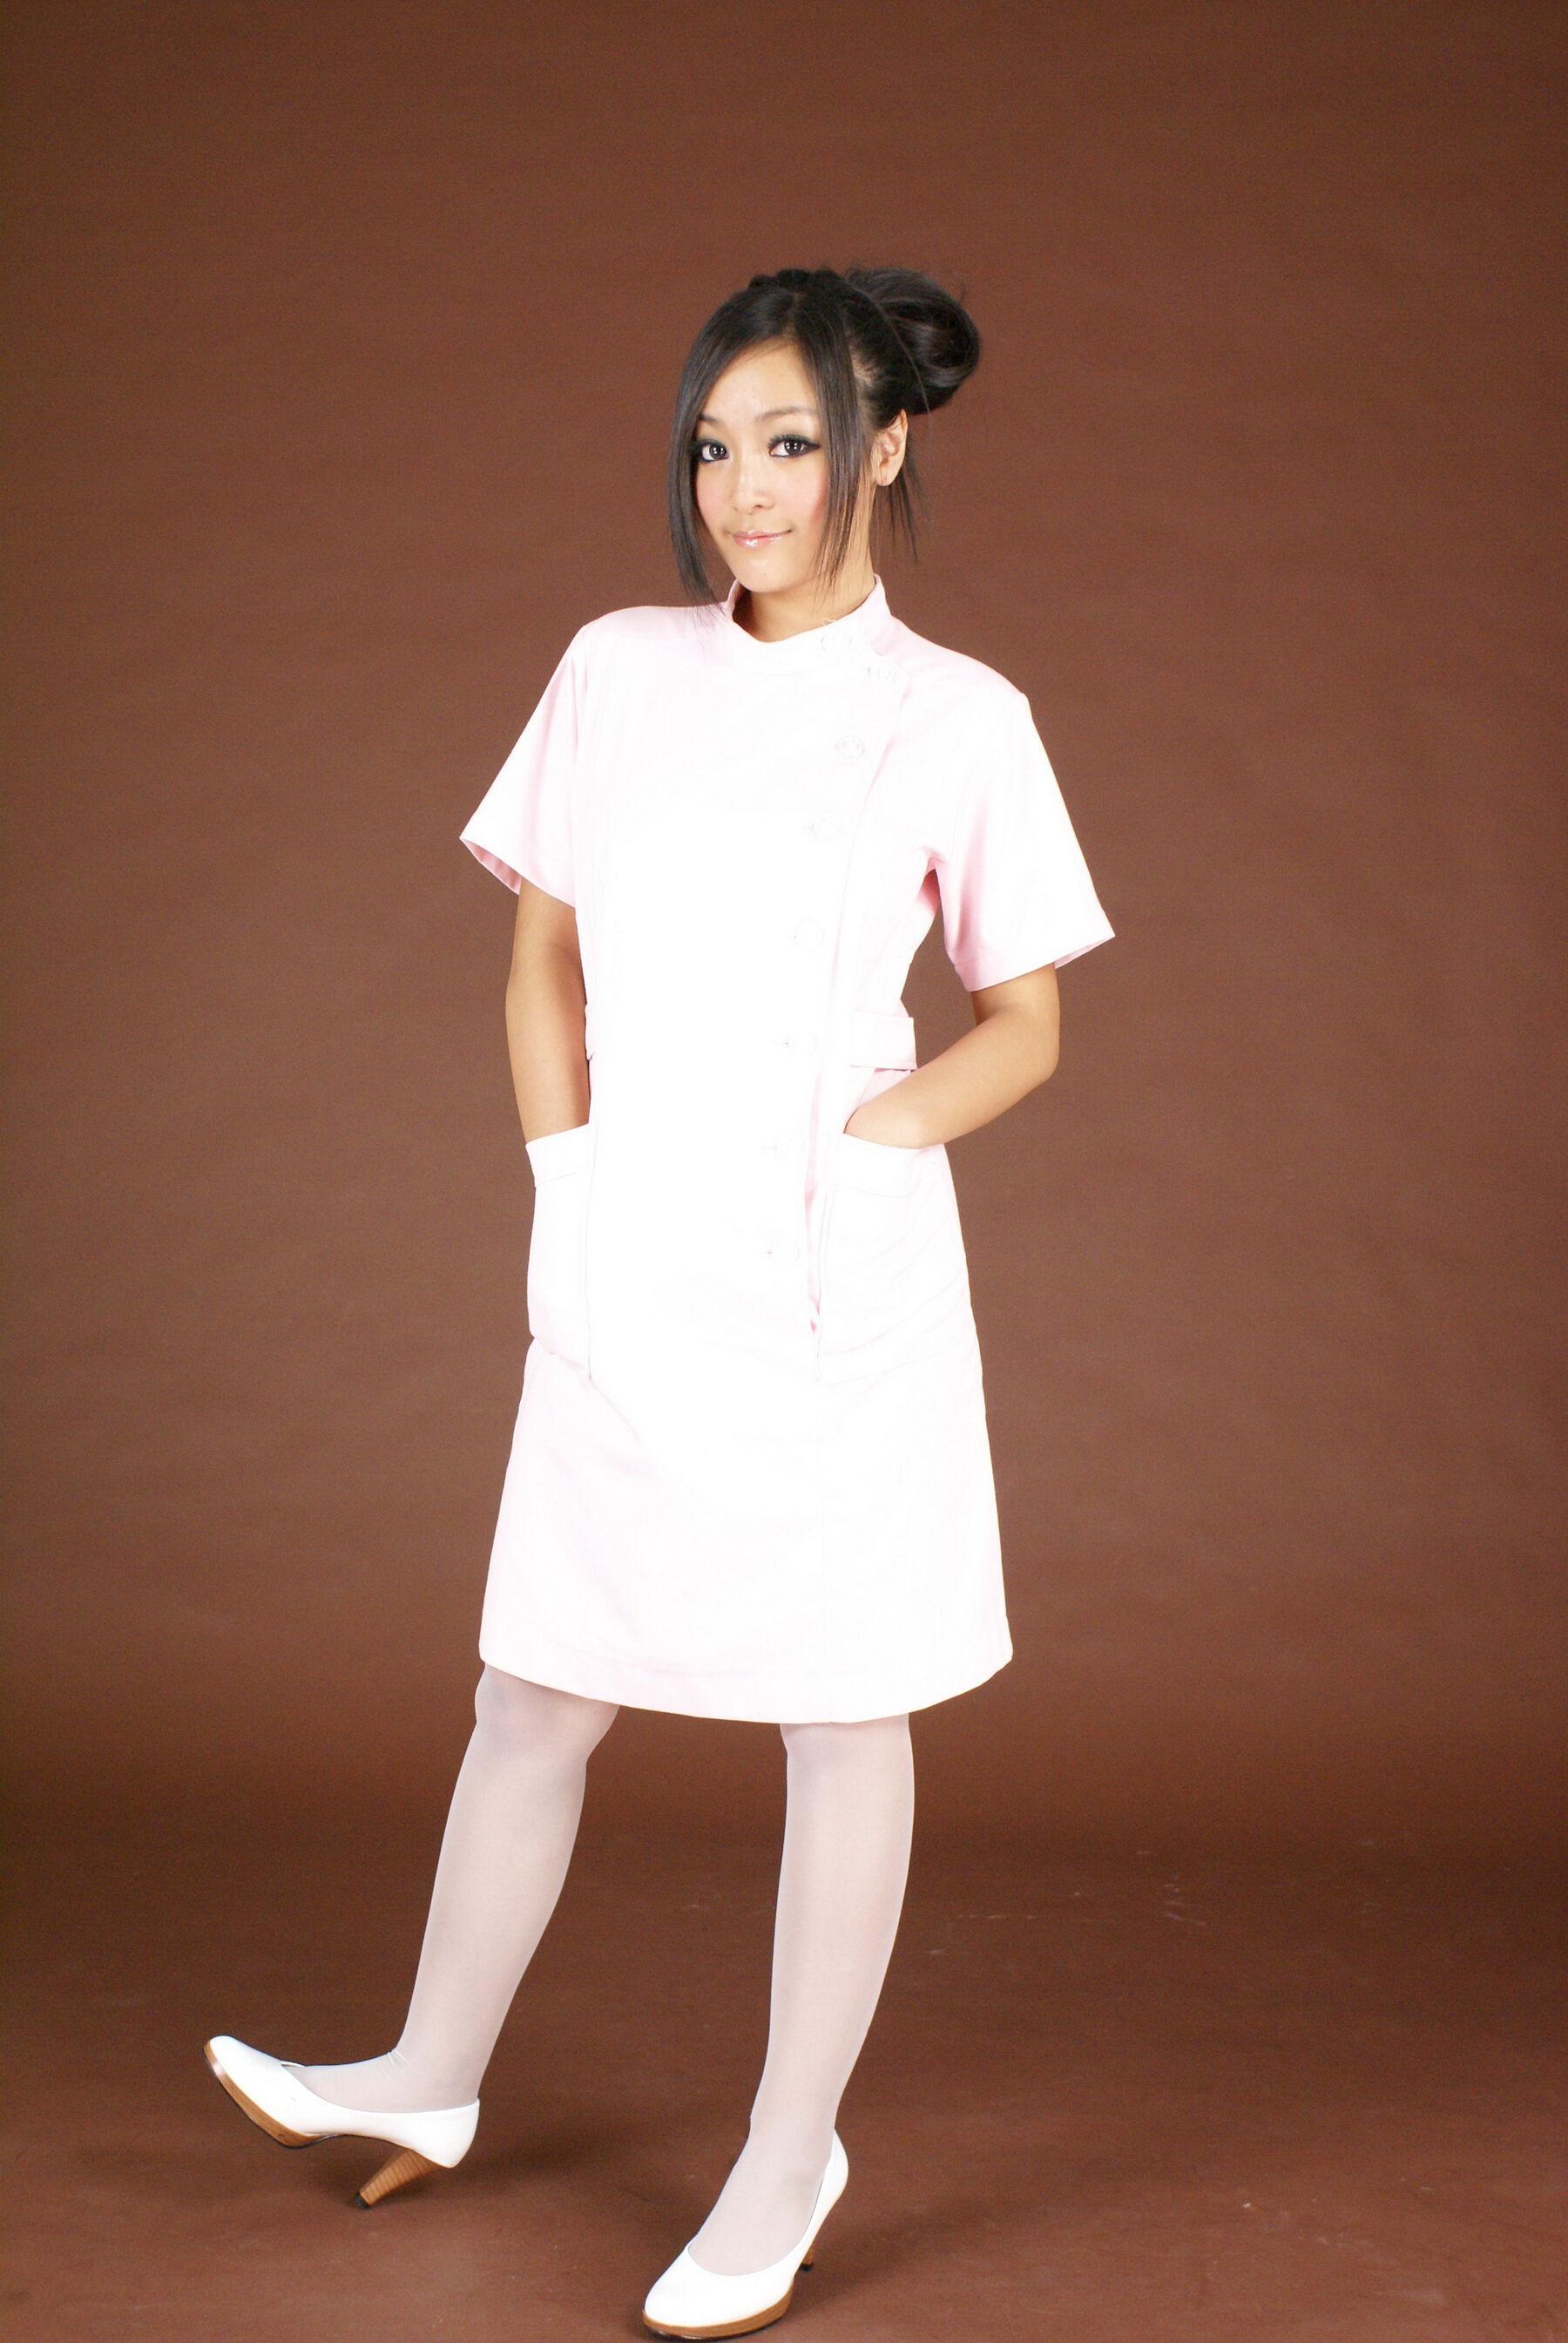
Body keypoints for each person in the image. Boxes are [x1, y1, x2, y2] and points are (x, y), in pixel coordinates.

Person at [204, 261, 1115, 2340]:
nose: (746, 489)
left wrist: (876, 1144)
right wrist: (567, 1182)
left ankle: (790, 2155)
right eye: (715, 447)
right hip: (632, 1238)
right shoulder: (614, 669)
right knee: (538, 1676)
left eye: (791, 443)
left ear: (885, 444)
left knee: (842, 1707)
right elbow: (541, 959)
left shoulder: (959, 717)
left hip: (835, 1269)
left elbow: (1031, 1021)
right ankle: (429, 2068)